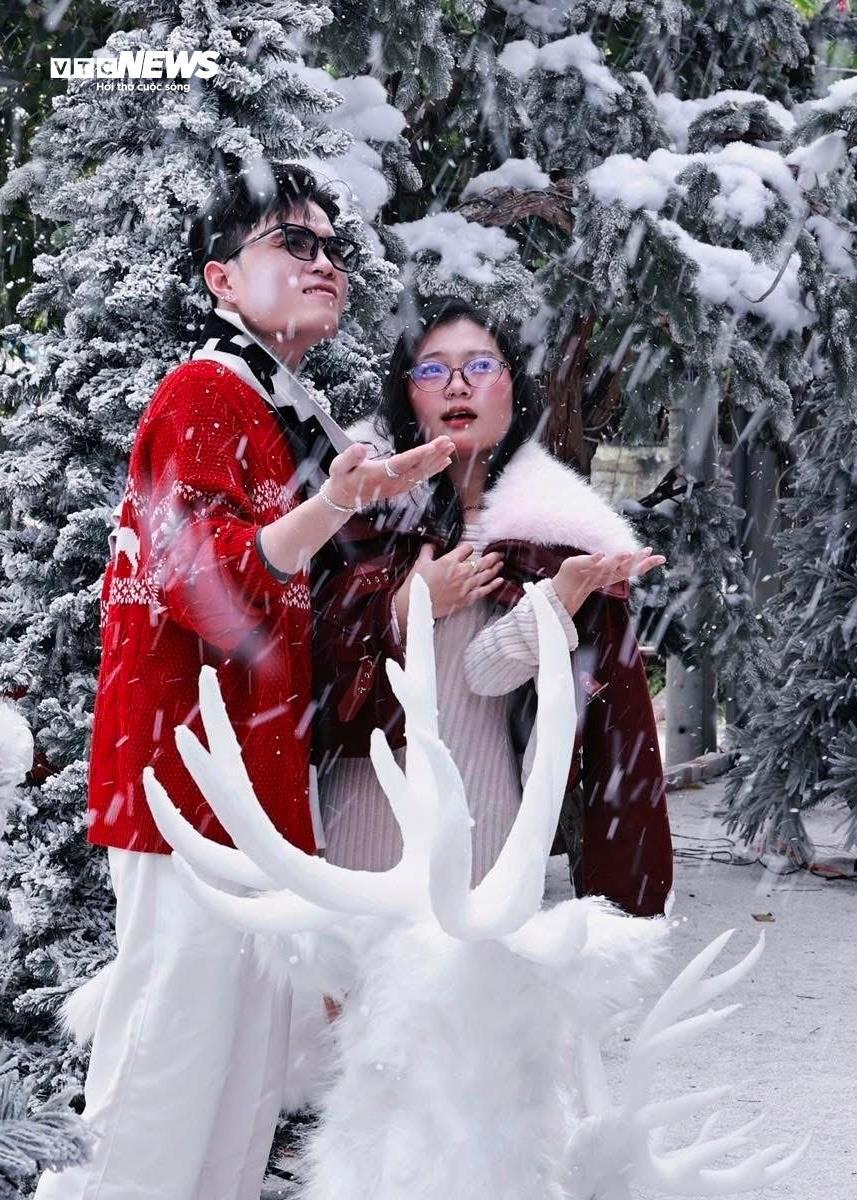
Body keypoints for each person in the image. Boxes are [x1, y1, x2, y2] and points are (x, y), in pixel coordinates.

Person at [34, 163, 454, 1200]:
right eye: (292, 243)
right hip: (189, 793)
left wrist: (371, 533)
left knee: (236, 1089)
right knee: (169, 1081)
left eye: (331, 248)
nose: (324, 262)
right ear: (221, 279)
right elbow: (196, 578)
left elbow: (296, 614)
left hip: (250, 796)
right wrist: (330, 511)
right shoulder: (203, 393)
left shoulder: (279, 411)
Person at [313, 296, 673, 914]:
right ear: (405, 394)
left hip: (485, 828)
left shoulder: (551, 535)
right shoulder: (359, 516)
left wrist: (560, 597)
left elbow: (485, 676)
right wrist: (408, 608)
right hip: (364, 822)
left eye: (480, 366)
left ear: (513, 388)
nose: (458, 385)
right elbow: (314, 675)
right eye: (433, 369)